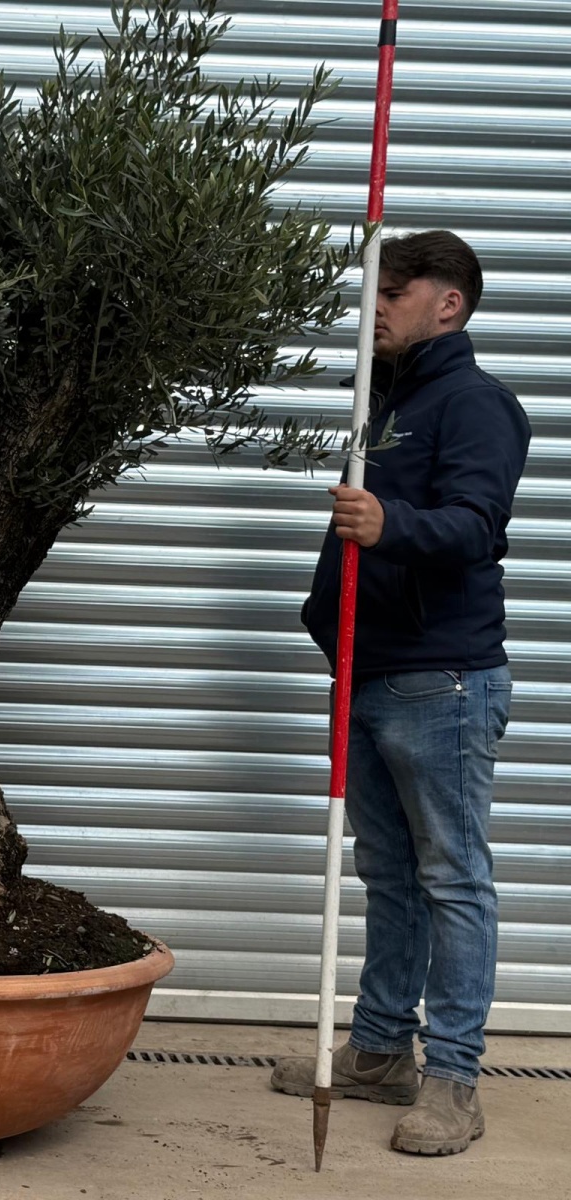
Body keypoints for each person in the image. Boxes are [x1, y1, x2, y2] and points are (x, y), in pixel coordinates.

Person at [269, 231, 531, 1156]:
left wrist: (390, 523)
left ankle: (454, 1081)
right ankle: (382, 1050)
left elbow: (476, 526)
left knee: (453, 876)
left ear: (448, 303)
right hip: (368, 669)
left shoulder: (476, 404)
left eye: (397, 288)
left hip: (442, 679)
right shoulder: (378, 402)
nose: (375, 304)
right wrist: (323, 614)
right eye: (372, 288)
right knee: (389, 876)